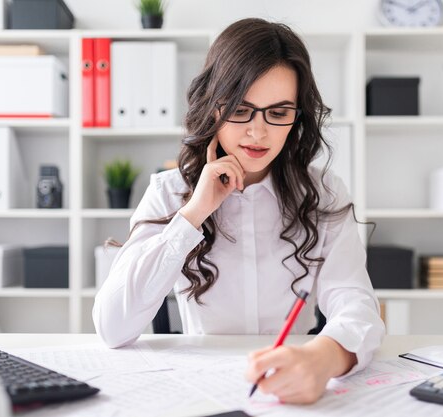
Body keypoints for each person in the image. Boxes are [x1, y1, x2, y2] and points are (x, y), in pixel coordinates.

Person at [93, 17, 385, 404]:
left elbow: (356, 303)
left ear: (297, 119)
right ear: (214, 107)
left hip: (290, 382)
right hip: (199, 390)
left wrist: (323, 357)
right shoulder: (170, 191)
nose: (258, 132)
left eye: (278, 113)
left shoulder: (323, 192)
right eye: (241, 110)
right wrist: (193, 214)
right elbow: (112, 327)